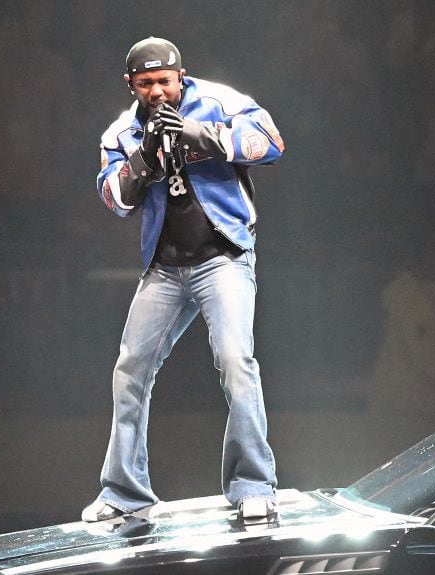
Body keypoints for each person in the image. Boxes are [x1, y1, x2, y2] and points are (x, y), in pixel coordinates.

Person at [83, 38, 285, 522]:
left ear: (181, 76)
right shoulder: (122, 132)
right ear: (131, 84)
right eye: (146, 83)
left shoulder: (220, 101)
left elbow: (271, 143)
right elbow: (114, 200)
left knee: (237, 362)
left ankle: (253, 484)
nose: (157, 91)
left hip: (222, 259)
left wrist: (202, 135)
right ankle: (123, 491)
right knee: (130, 369)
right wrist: (145, 160)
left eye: (165, 81)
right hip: (166, 268)